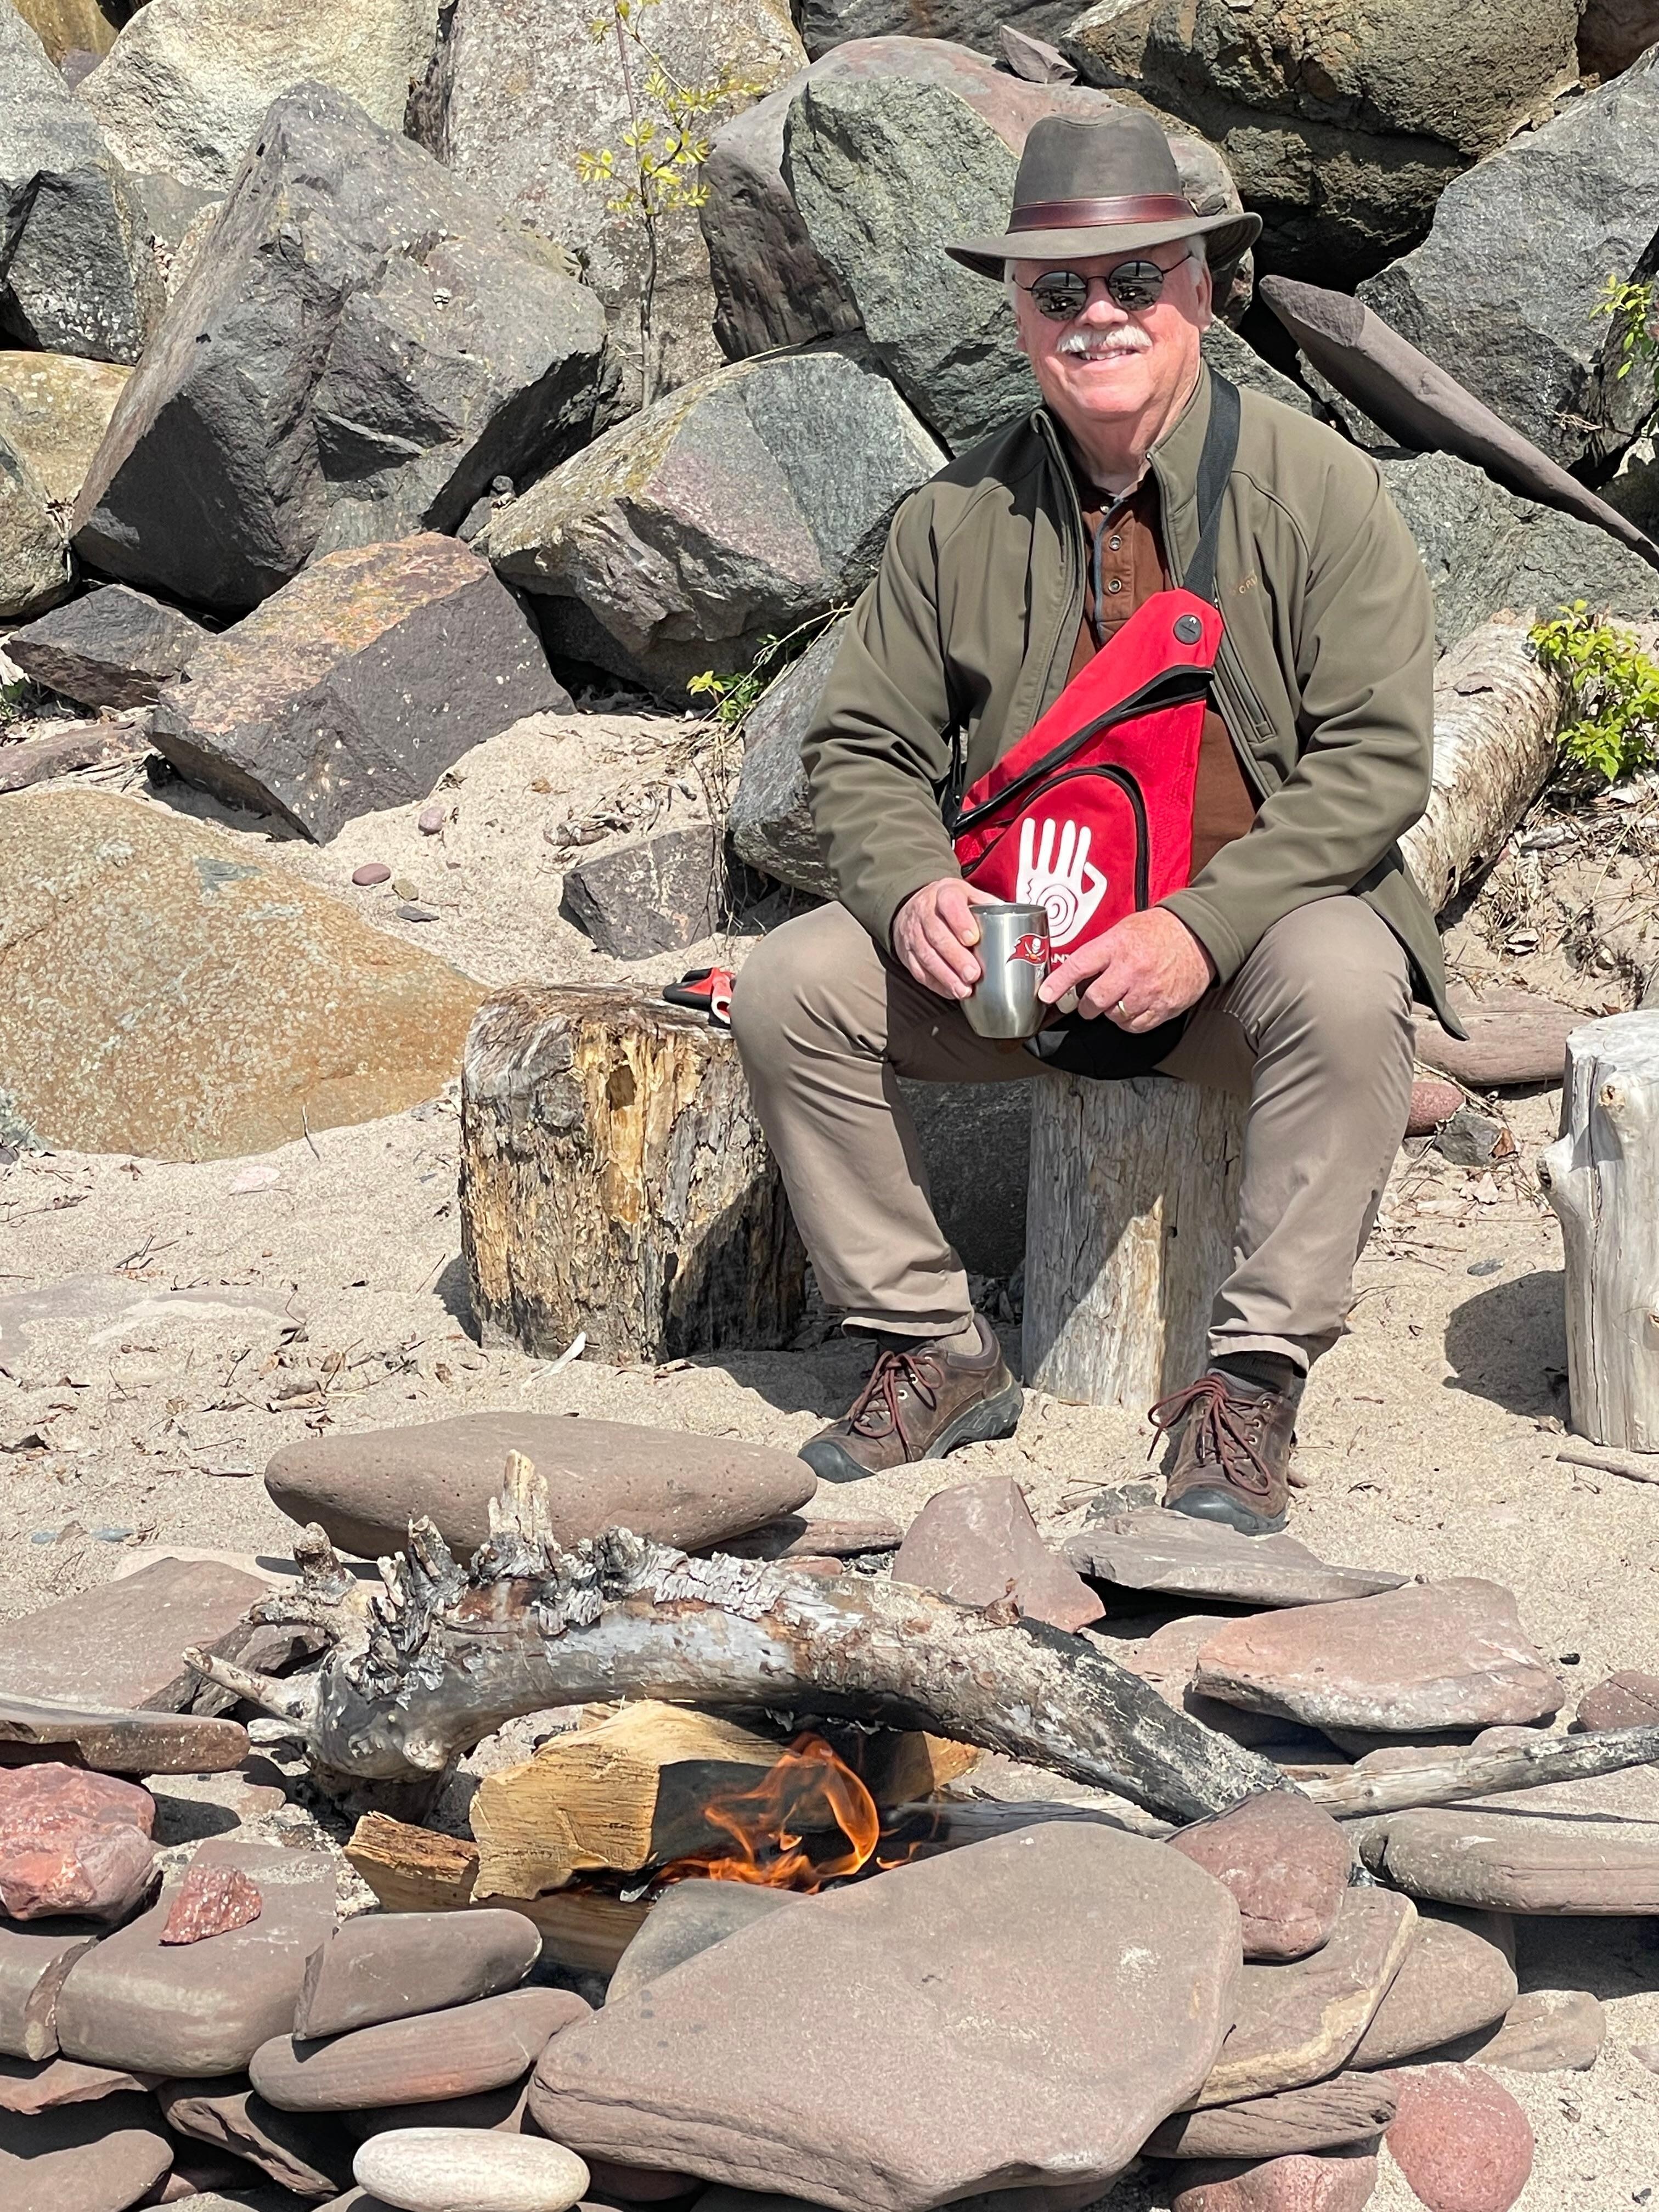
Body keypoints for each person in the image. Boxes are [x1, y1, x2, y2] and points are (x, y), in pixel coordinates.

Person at [731, 108, 1452, 1535]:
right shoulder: (955, 515)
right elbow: (865, 744)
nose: (1099, 313)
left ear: (1201, 285)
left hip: (1241, 960)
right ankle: (931, 1344)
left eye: (1136, 280)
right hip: (1027, 956)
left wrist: (1201, 930)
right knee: (791, 985)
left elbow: (1379, 759)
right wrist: (912, 888)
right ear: (1018, 309)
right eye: (1061, 289)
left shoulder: (1317, 488)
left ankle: (1248, 1388)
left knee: (1355, 983)